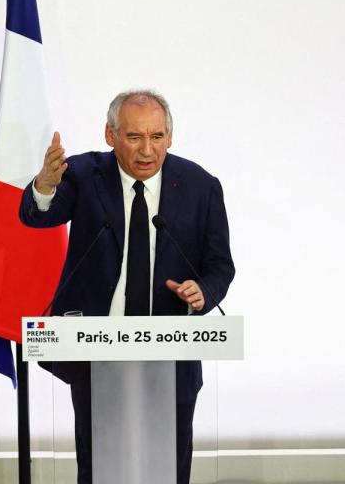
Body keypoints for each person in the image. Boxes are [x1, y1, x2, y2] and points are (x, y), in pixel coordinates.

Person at [19, 89, 235, 484]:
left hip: (172, 351)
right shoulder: (85, 174)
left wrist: (204, 292)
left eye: (156, 137)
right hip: (96, 351)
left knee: (169, 466)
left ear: (170, 137)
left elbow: (220, 265)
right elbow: (37, 217)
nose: (147, 150)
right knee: (98, 464)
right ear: (110, 135)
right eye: (134, 137)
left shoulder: (201, 186)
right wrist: (45, 186)